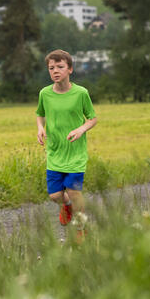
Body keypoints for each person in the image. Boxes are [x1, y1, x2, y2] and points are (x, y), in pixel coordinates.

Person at [36, 49, 98, 241]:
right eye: (51, 68)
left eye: (60, 67)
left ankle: (81, 228)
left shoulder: (81, 93)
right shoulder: (45, 93)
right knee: (55, 196)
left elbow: (92, 119)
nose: (55, 71)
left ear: (70, 69)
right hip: (55, 153)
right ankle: (67, 206)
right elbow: (40, 113)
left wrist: (81, 130)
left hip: (76, 154)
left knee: (73, 191)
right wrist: (40, 128)